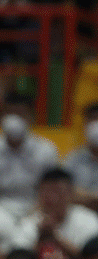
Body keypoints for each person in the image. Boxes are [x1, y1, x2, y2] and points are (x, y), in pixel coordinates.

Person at [12, 167, 98, 259]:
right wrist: (40, 239)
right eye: (47, 192)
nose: (52, 198)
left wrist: (55, 237)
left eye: (58, 192)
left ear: (71, 193)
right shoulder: (29, 222)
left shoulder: (89, 220)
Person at [0, 92, 59, 221]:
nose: (14, 120)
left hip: (36, 208)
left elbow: (51, 188)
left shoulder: (46, 150)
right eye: (10, 114)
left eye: (20, 114)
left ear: (31, 118)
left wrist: (36, 211)